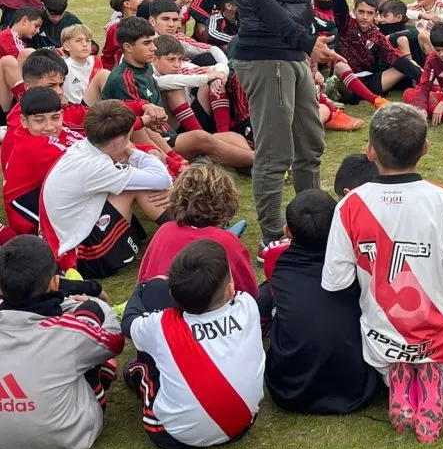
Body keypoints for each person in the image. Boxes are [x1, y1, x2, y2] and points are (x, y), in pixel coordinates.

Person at [322, 103, 443, 442]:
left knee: (382, 363)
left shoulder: (349, 205)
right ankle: (436, 380)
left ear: (370, 151)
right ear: (425, 148)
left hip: (382, 341)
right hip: (441, 341)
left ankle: (397, 377)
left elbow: (337, 284)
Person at [219, 0, 336, 252]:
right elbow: (261, 0)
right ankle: (271, 239)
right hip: (265, 53)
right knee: (274, 155)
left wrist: (308, 36)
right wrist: (307, 42)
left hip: (293, 48)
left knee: (310, 142)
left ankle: (311, 225)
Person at [122, 240, 264, 449]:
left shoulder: (162, 325)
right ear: (230, 290)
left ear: (172, 296)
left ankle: (137, 374)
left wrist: (143, 287)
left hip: (173, 435)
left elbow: (128, 324)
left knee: (143, 366)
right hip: (242, 423)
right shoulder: (247, 305)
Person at [0, 236, 124, 449]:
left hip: (3, 446)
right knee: (88, 343)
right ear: (54, 282)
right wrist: (91, 305)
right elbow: (115, 341)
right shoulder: (69, 331)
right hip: (69, 437)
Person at [262, 188, 379, 415]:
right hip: (357, 387)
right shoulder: (358, 260)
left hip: (290, 391)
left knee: (268, 296)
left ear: (287, 232)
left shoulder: (278, 261)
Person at [40, 100, 173, 278]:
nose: (129, 142)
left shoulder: (83, 147)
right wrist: (134, 153)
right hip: (81, 257)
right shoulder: (96, 166)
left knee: (134, 180)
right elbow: (162, 179)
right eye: (128, 137)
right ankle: (184, 231)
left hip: (63, 242)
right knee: (137, 186)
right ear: (118, 141)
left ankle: (180, 227)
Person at [103, 17, 253, 170]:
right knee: (200, 137)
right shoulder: (124, 79)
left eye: (153, 42)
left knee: (233, 137)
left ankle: (249, 163)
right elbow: (139, 128)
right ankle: (258, 161)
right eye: (147, 43)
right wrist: (170, 158)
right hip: (157, 143)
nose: (154, 48)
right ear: (128, 47)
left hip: (168, 132)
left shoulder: (145, 68)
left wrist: (214, 76)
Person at [138, 163, 257, 298]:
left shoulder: (164, 231)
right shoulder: (227, 242)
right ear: (227, 201)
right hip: (205, 308)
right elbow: (249, 292)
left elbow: (142, 280)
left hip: (157, 306)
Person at [330, 0, 422, 108]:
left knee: (406, 64)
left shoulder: (377, 36)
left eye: (369, 13)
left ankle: (428, 87)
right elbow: (339, 10)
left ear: (375, 15)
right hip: (347, 83)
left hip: (370, 81)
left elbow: (395, 58)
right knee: (340, 65)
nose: (365, 17)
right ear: (354, 11)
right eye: (361, 12)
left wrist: (425, 80)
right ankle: (376, 101)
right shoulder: (347, 25)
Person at [2, 87, 81, 236]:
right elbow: (87, 167)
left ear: (61, 115)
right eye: (39, 120)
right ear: (24, 121)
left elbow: (88, 146)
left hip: (43, 198)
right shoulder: (35, 147)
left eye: (55, 118)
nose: (49, 127)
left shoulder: (54, 132)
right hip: (29, 221)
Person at [61, 23, 106, 105]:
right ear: (67, 46)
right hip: (74, 107)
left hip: (97, 106)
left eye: (88, 40)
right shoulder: (63, 66)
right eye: (78, 41)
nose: (85, 44)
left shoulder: (96, 61)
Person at [102, 0, 141, 71]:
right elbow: (108, 54)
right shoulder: (114, 28)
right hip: (123, 70)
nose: (141, 0)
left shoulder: (143, 21)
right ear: (127, 4)